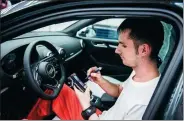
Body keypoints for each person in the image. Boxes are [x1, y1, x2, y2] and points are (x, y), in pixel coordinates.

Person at [26, 18, 164, 120]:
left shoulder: (144, 103)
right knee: (57, 90)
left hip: (93, 117)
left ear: (143, 50)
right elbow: (120, 91)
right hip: (100, 116)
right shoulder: (139, 72)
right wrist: (100, 81)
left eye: (123, 45)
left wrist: (87, 106)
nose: (117, 50)